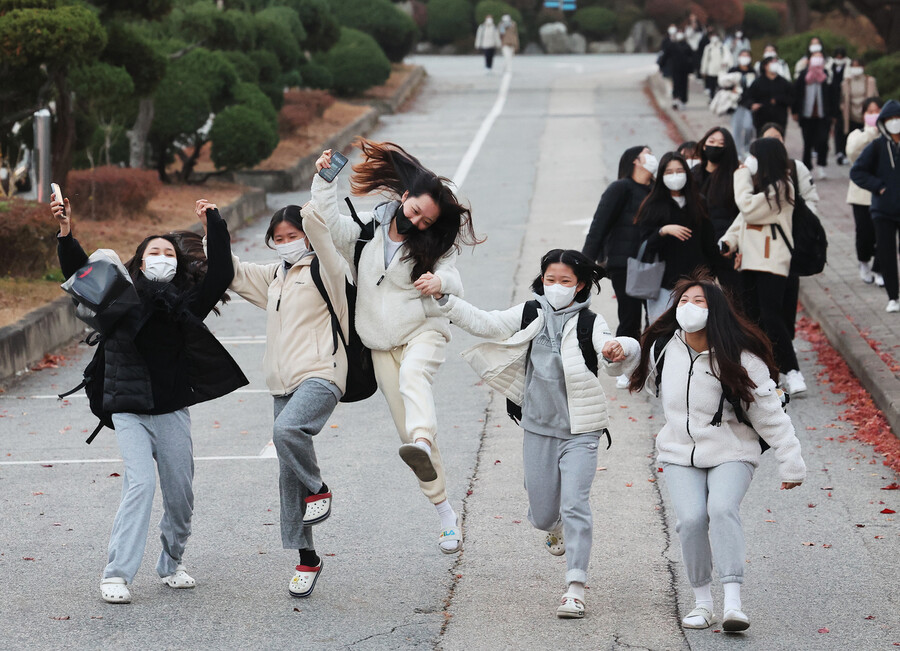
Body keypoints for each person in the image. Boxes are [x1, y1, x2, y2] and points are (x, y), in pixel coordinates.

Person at [51, 194, 248, 605]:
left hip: (172, 409)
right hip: (128, 409)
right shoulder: (119, 294)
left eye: (169, 253)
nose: (162, 257)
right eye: (154, 252)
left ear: (177, 263)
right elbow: (79, 273)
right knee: (140, 484)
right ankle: (116, 574)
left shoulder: (188, 301)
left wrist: (214, 224)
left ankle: (171, 562)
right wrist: (67, 233)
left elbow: (221, 273)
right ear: (140, 261)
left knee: (180, 493)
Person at [424, 249, 640, 619]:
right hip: (538, 428)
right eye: (550, 280)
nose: (556, 287)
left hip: (581, 431)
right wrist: (445, 299)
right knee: (542, 516)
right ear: (541, 280)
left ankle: (575, 587)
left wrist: (619, 349)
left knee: (575, 504)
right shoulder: (529, 313)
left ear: (581, 285)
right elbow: (486, 323)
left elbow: (611, 347)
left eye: (565, 281)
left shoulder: (590, 321)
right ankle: (554, 527)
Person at [311, 140, 480, 553]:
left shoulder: (433, 245)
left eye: (427, 220)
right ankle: (445, 513)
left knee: (414, 377)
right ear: (404, 197)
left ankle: (422, 440)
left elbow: (453, 279)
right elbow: (330, 224)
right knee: (406, 426)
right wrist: (323, 180)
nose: (419, 222)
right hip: (379, 344)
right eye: (415, 211)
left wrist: (439, 283)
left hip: (423, 330)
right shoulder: (368, 228)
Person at [628, 274, 806, 633]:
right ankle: (703, 603)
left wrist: (791, 462)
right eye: (684, 301)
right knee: (692, 519)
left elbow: (769, 412)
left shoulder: (739, 355)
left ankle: (733, 603)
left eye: (700, 302)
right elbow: (642, 377)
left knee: (721, 509)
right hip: (680, 452)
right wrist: (621, 355)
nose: (689, 308)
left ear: (716, 311)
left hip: (732, 450)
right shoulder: (664, 348)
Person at [216, 198, 349, 598]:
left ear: (307, 237)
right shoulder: (275, 276)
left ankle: (319, 488)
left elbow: (325, 242)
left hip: (323, 373)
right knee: (286, 475)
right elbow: (234, 273)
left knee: (286, 430)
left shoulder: (329, 270)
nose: (287, 242)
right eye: (279, 238)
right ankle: (307, 558)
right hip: (283, 382)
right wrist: (213, 228)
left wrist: (318, 197)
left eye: (293, 236)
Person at [720, 138, 809, 394]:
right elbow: (744, 220)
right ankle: (769, 373)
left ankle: (792, 371)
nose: (749, 160)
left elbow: (747, 208)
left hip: (772, 260)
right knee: (753, 319)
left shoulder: (783, 187)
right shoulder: (762, 187)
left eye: (753, 155)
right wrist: (729, 240)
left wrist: (741, 173)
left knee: (771, 317)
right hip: (750, 260)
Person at [582, 145, 656, 387]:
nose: (651, 156)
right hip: (624, 263)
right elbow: (599, 225)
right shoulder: (621, 188)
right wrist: (584, 263)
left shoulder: (656, 190)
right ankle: (627, 367)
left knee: (654, 317)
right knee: (630, 315)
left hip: (653, 263)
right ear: (634, 160)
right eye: (647, 152)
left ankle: (648, 364)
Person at [635, 152, 719, 323]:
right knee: (662, 331)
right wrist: (663, 231)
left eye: (679, 170)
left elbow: (709, 243)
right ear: (661, 176)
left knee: (699, 330)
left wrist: (713, 274)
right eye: (669, 172)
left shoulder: (699, 202)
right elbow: (645, 246)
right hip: (664, 284)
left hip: (697, 282)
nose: (675, 176)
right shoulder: (652, 204)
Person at [757, 122, 819, 348]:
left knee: (788, 300)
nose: (775, 143)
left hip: (789, 246)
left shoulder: (795, 168)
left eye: (778, 138)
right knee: (765, 307)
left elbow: (811, 199)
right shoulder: (751, 172)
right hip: (761, 250)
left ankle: (785, 346)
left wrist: (803, 223)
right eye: (769, 139)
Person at [850, 100, 900, 313]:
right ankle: (893, 297)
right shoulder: (878, 146)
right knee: (886, 254)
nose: (895, 123)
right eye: (890, 120)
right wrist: (878, 187)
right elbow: (857, 171)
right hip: (883, 211)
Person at [691, 127, 743, 304]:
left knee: (735, 300)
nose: (715, 147)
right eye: (711, 142)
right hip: (699, 248)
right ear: (703, 145)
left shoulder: (736, 176)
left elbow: (742, 214)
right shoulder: (694, 174)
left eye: (721, 144)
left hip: (726, 249)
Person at [845, 97, 884, 285]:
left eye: (877, 110)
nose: (874, 114)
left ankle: (880, 269)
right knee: (865, 234)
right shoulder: (857, 134)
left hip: (884, 194)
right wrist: (871, 132)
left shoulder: (890, 135)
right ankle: (863, 262)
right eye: (869, 111)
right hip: (861, 195)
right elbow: (851, 152)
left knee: (883, 234)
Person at [793, 47, 835, 180]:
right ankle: (807, 168)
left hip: (823, 115)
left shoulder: (827, 74)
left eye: (820, 56)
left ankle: (821, 166)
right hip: (807, 115)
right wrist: (795, 111)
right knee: (808, 142)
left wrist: (833, 114)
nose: (817, 59)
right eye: (814, 56)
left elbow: (833, 95)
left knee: (823, 141)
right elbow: (797, 94)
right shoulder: (803, 74)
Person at [747, 57, 794, 135]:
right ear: (765, 66)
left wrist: (778, 100)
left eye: (776, 63)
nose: (774, 65)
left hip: (779, 117)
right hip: (761, 117)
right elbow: (749, 97)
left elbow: (791, 98)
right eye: (772, 63)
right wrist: (752, 105)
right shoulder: (757, 82)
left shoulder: (784, 82)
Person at [841, 60, 879, 153]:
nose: (856, 69)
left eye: (858, 66)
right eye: (853, 66)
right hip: (851, 116)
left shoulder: (870, 80)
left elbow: (876, 98)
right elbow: (843, 100)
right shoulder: (846, 82)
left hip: (866, 116)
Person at [726, 50, 758, 158]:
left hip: (749, 105)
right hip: (736, 104)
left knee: (748, 127)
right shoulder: (733, 70)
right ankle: (738, 152)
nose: (744, 58)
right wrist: (731, 89)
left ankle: (747, 148)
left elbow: (755, 89)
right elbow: (724, 84)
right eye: (742, 56)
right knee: (737, 129)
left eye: (747, 56)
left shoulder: (753, 72)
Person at [658, 31, 694, 110]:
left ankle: (677, 98)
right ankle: (681, 100)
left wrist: (661, 64)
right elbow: (692, 58)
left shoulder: (673, 46)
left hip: (676, 68)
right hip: (683, 69)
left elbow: (665, 56)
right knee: (683, 85)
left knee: (677, 84)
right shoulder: (686, 46)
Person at [830, 47, 850, 164]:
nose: (839, 59)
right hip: (834, 103)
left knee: (846, 128)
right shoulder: (830, 66)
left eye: (840, 56)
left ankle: (845, 150)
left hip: (846, 103)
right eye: (837, 56)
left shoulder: (848, 67)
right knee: (837, 129)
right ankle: (838, 151)